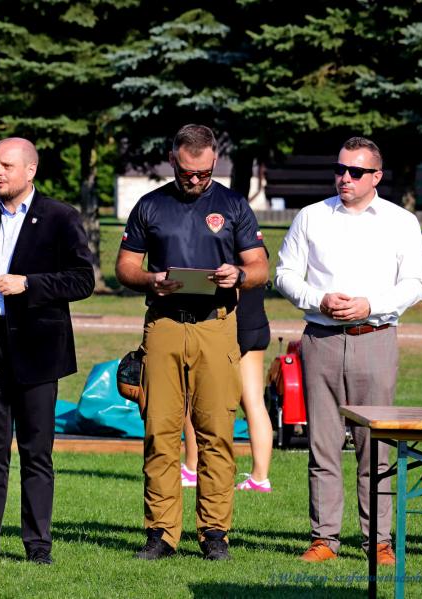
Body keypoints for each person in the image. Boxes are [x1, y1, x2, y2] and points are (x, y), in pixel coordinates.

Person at [115, 124, 268, 561]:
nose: (195, 179)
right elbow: (124, 266)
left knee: (216, 431)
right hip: (163, 325)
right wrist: (151, 279)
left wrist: (238, 274)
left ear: (214, 161)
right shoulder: (151, 205)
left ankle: (214, 534)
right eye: (186, 172)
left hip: (216, 326)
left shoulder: (234, 205)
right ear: (173, 160)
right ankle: (161, 534)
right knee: (159, 432)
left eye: (203, 173)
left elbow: (260, 266)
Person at [0, 137, 95, 565]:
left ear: (30, 170)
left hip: (37, 346)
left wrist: (29, 283)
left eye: (6, 165)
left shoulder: (60, 217)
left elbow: (82, 279)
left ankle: (37, 544)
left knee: (35, 451)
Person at [276, 137, 422, 565]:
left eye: (355, 172)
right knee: (322, 445)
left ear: (376, 176)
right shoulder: (311, 217)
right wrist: (318, 299)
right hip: (321, 339)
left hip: (375, 338)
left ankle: (378, 541)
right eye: (340, 169)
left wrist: (370, 305)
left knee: (375, 446)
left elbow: (416, 283)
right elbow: (285, 274)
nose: (345, 177)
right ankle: (324, 539)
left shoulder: (401, 222)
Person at [182, 252, 274, 493]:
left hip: (232, 325)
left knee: (193, 396)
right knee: (255, 404)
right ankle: (260, 478)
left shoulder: (222, 243)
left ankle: (192, 468)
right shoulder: (255, 247)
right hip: (257, 323)